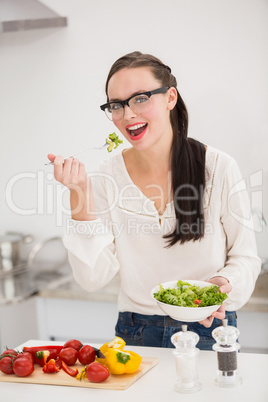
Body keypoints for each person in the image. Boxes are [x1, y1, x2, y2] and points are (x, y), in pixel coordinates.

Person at [47, 51, 261, 350]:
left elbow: (246, 258)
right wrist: (78, 193)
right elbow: (92, 279)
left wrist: (221, 286)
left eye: (141, 98)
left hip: (209, 327)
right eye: (116, 105)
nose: (128, 114)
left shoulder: (219, 167)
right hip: (135, 331)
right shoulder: (106, 175)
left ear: (170, 98)